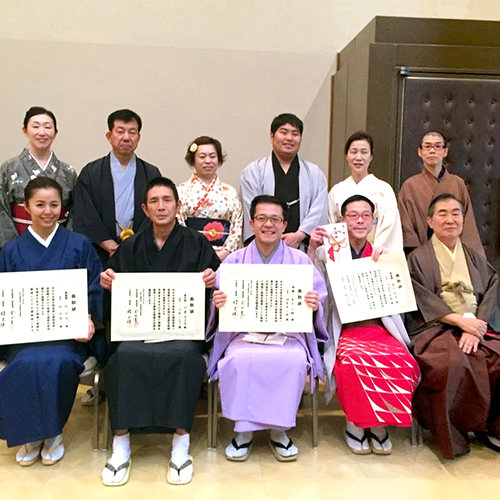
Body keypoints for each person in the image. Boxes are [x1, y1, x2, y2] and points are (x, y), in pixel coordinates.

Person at [100, 177, 219, 487]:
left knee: (184, 358)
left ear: (178, 206)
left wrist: (212, 279)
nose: (161, 206)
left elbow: (218, 286)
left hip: (183, 332)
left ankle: (181, 442)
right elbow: (115, 288)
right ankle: (121, 443)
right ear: (145, 208)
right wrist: (108, 282)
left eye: (167, 200)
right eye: (154, 201)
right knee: (123, 358)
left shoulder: (197, 243)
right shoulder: (131, 246)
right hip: (138, 332)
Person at [207, 195, 328, 462]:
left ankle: (279, 430)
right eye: (262, 218)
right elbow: (219, 300)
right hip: (242, 335)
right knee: (239, 359)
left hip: (288, 335)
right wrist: (218, 302)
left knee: (293, 359)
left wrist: (314, 303)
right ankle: (243, 431)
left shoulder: (300, 260)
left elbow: (320, 296)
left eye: (275, 219)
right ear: (252, 223)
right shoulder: (234, 260)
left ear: (284, 225)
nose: (268, 224)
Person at [0, 177, 103, 466]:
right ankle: (32, 435)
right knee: (23, 364)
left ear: (63, 208)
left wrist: (89, 316)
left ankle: (52, 433)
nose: (48, 211)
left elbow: (94, 287)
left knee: (55, 362)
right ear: (27, 207)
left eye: (54, 205)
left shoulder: (79, 244)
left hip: (68, 337)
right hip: (25, 337)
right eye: (40, 205)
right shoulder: (12, 250)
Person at [308, 195, 420, 455]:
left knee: (400, 359)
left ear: (373, 220)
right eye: (353, 215)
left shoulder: (382, 254)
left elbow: (398, 296)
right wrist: (312, 250)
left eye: (365, 215)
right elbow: (312, 285)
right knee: (352, 361)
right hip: (345, 331)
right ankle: (356, 423)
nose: (359, 220)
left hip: (379, 329)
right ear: (341, 219)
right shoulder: (327, 252)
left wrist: (389, 266)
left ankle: (380, 424)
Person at [407, 193, 500, 459]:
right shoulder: (417, 258)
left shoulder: (474, 258)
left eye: (455, 213)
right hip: (436, 328)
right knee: (451, 364)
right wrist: (459, 321)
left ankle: (490, 428)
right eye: (443, 214)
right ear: (430, 222)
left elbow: (491, 290)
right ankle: (453, 435)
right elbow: (420, 295)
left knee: (495, 359)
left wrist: (475, 326)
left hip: (476, 326)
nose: (450, 219)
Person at [72, 109, 161, 264]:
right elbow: (85, 213)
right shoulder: (91, 173)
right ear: (109, 136)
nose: (126, 137)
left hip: (142, 251)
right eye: (120, 131)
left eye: (132, 132)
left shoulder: (151, 173)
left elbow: (157, 210)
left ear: (138, 137)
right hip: (101, 252)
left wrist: (135, 244)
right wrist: (109, 245)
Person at [240, 113, 328, 250]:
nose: (289, 138)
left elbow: (319, 209)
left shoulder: (314, 174)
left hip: (302, 248)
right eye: (283, 132)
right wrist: (271, 239)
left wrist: (300, 235)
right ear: (272, 136)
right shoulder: (253, 172)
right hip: (264, 247)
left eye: (295, 134)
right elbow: (251, 210)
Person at [0, 106, 76, 250]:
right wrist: (11, 247)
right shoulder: (9, 168)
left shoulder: (68, 172)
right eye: (35, 127)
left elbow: (75, 213)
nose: (42, 132)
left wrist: (67, 245)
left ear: (55, 133)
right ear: (25, 131)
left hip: (59, 245)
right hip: (18, 243)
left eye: (47, 127)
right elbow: (1, 210)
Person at [398, 131, 484, 256]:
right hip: (422, 253)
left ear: (445, 152)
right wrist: (417, 256)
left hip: (455, 252)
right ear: (420, 152)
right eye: (427, 146)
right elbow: (406, 226)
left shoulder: (457, 183)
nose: (432, 151)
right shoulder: (410, 186)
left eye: (438, 146)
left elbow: (468, 223)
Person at [328, 131, 403, 253]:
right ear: (346, 156)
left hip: (374, 255)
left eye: (364, 152)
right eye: (353, 152)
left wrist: (372, 253)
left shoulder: (384, 190)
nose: (358, 157)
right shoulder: (336, 191)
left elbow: (389, 228)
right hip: (343, 257)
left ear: (371, 157)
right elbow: (331, 227)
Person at [177, 136, 242, 261]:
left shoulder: (230, 191)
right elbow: (179, 224)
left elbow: (237, 225)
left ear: (219, 160)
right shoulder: (181, 191)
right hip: (191, 254)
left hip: (225, 255)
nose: (208, 161)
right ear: (193, 161)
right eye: (202, 157)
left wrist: (225, 252)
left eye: (212, 156)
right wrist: (196, 254)